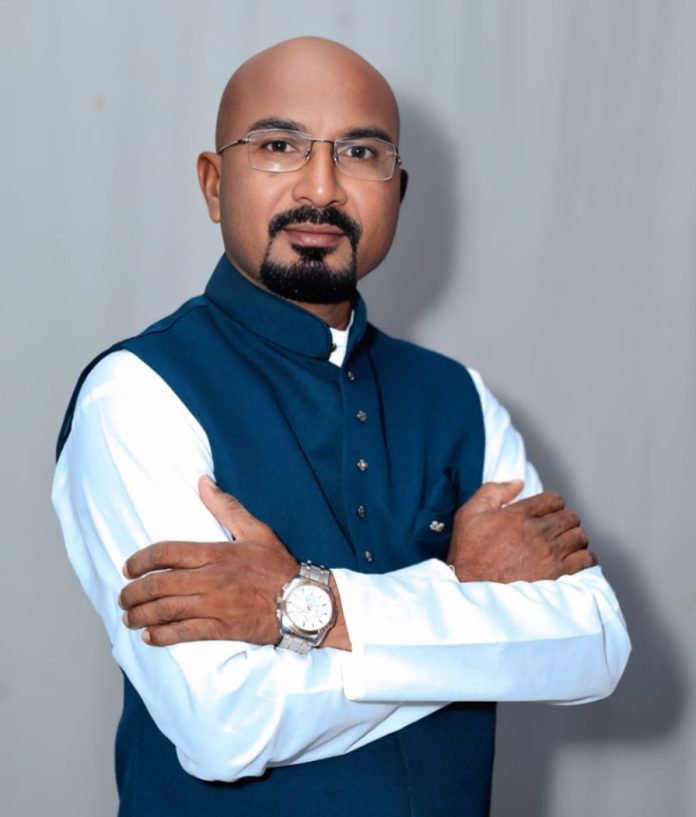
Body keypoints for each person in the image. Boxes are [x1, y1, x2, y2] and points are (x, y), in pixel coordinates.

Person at [52, 36, 630, 817]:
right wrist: (468, 594)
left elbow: (593, 645)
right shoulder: (137, 394)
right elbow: (225, 721)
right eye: (279, 145)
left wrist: (309, 606)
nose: (321, 187)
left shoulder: (458, 397)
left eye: (360, 152)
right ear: (214, 183)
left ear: (399, 190)